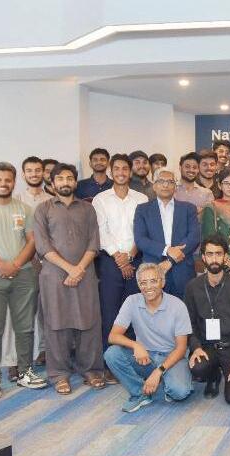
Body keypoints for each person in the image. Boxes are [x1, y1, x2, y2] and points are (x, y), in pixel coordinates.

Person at [0, 162, 48, 399]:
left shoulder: (25, 209)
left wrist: (15, 265)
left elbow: (32, 240)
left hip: (23, 276)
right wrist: (1, 265)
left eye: (7, 180)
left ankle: (25, 372)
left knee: (25, 328)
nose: (3, 184)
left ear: (14, 182)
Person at [34, 163, 105, 394]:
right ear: (52, 183)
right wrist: (69, 269)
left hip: (85, 273)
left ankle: (91, 370)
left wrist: (79, 268)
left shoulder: (88, 209)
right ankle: (59, 374)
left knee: (89, 322)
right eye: (60, 179)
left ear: (75, 182)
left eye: (69, 178)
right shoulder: (43, 209)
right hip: (54, 276)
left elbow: (94, 242)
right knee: (56, 324)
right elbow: (42, 246)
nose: (65, 182)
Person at [104, 262, 193, 412]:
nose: (148, 287)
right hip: (145, 357)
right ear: (139, 285)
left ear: (162, 282)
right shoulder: (131, 301)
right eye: (143, 282)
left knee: (179, 392)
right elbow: (113, 336)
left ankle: (164, 381)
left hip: (172, 357)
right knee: (111, 354)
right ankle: (140, 393)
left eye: (153, 281)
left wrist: (158, 371)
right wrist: (136, 345)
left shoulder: (178, 305)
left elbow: (181, 348)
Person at [92, 154, 148, 383]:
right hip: (109, 261)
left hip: (136, 259)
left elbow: (143, 230)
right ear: (111, 171)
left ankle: (133, 361)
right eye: (117, 168)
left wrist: (131, 255)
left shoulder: (142, 198)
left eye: (125, 168)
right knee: (111, 313)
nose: (121, 172)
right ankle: (109, 364)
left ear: (130, 171)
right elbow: (101, 231)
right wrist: (119, 257)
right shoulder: (100, 199)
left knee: (135, 311)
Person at [185, 235, 230, 405]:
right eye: (210, 254)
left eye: (218, 254)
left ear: (225, 257)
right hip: (207, 348)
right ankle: (213, 376)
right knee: (197, 367)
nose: (214, 259)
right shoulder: (193, 287)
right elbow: (189, 324)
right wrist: (195, 347)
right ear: (203, 257)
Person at [133, 167, 201, 299]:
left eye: (170, 181)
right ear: (154, 186)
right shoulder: (143, 209)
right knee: (154, 310)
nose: (165, 185)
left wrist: (170, 261)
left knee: (183, 309)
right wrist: (167, 250)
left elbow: (194, 238)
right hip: (153, 271)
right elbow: (140, 240)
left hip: (182, 271)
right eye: (161, 181)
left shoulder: (188, 208)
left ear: (175, 186)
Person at [15, 156, 53, 369]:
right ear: (24, 174)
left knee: (46, 309)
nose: (34, 174)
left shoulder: (51, 200)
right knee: (23, 312)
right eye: (29, 171)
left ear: (43, 173)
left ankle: (45, 350)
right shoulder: (17, 200)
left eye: (38, 170)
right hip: (24, 264)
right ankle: (18, 359)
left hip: (47, 263)